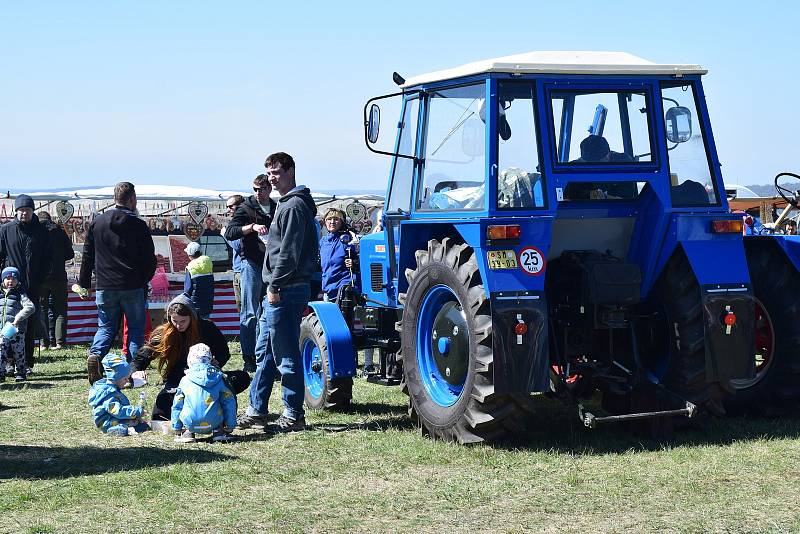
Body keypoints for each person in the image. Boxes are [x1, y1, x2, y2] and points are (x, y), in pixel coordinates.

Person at [238, 152, 317, 433]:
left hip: (286, 287)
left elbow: (289, 252)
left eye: (277, 172)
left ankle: (293, 414)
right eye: (269, 172)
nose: (272, 177)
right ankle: (257, 410)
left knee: (284, 354)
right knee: (267, 353)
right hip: (280, 286)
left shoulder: (294, 205)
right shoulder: (287, 203)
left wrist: (275, 285)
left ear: (291, 171)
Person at [80, 182, 157, 384]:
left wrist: (84, 282)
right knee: (135, 329)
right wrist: (144, 279)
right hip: (132, 285)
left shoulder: (97, 222)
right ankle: (133, 370)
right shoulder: (139, 225)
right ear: (132, 199)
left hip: (105, 285)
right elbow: (150, 259)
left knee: (106, 327)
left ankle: (96, 355)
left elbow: (87, 255)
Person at [131, 294, 250, 422]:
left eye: (183, 321)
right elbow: (143, 355)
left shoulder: (207, 328)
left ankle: (213, 403)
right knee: (159, 416)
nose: (178, 325)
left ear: (192, 317)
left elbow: (223, 352)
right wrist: (136, 370)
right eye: (174, 321)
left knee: (242, 377)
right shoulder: (165, 332)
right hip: (178, 382)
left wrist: (217, 362)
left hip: (206, 379)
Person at [224, 175, 276, 374]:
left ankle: (265, 355)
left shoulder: (276, 207)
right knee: (250, 313)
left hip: (271, 265)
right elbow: (230, 232)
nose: (257, 192)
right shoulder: (246, 208)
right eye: (255, 189)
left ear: (269, 189)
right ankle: (249, 357)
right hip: (252, 264)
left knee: (268, 311)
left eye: (261, 189)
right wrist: (251, 227)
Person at [0, 194, 51, 375]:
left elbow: (47, 258)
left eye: (27, 210)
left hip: (33, 285)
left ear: (32, 211)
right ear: (16, 211)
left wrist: (43, 279)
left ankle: (26, 362)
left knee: (29, 323)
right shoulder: (6, 230)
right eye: (21, 210)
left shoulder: (42, 230)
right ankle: (8, 363)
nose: (24, 214)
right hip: (10, 286)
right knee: (8, 323)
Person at [171, 343, 237, 443]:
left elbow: (177, 404)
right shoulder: (218, 378)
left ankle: (188, 433)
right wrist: (230, 425)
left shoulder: (185, 380)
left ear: (189, 361)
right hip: (214, 421)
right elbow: (229, 402)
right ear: (210, 360)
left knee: (185, 404)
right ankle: (218, 432)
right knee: (221, 402)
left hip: (190, 421)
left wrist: (176, 426)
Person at [36, 211, 74, 350]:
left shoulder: (36, 232)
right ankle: (60, 342)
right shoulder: (59, 231)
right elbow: (70, 254)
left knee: (42, 310)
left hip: (41, 277)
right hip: (59, 276)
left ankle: (44, 343)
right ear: (50, 219)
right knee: (60, 310)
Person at [88, 353, 150, 436]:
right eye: (125, 378)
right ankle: (118, 430)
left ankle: (130, 426)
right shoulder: (108, 393)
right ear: (116, 377)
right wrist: (136, 412)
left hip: (113, 417)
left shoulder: (113, 389)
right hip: (106, 422)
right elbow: (117, 411)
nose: (127, 381)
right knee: (131, 425)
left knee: (138, 423)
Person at [0, 267, 36, 381]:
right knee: (1, 349)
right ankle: (1, 373)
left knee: (18, 352)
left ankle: (21, 372)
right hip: (2, 329)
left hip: (16, 329)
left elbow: (30, 307)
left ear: (18, 281)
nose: (11, 281)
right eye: (8, 278)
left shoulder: (20, 294)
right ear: (3, 280)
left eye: (14, 279)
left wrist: (18, 318)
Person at [319, 208, 359, 302]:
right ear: (325, 221)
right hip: (328, 290)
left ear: (342, 222)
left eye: (336, 219)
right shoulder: (323, 241)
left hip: (344, 290)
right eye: (329, 219)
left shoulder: (348, 239)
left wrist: (355, 262)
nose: (332, 222)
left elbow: (362, 258)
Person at [183, 241, 214, 320]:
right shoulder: (208, 264)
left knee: (195, 328)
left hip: (194, 305)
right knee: (205, 325)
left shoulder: (190, 267)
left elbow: (187, 289)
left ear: (190, 254)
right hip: (207, 303)